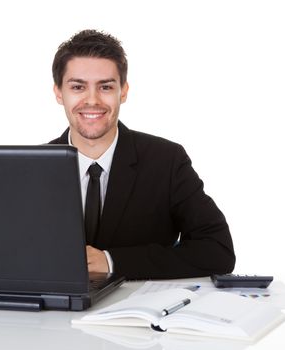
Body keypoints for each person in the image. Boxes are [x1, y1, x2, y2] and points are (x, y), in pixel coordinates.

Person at [50, 29, 235, 280]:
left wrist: (112, 261)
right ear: (59, 93)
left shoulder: (167, 161)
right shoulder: (31, 169)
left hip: (138, 315)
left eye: (105, 86)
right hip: (49, 316)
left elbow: (218, 251)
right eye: (78, 87)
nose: (92, 100)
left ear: (123, 92)